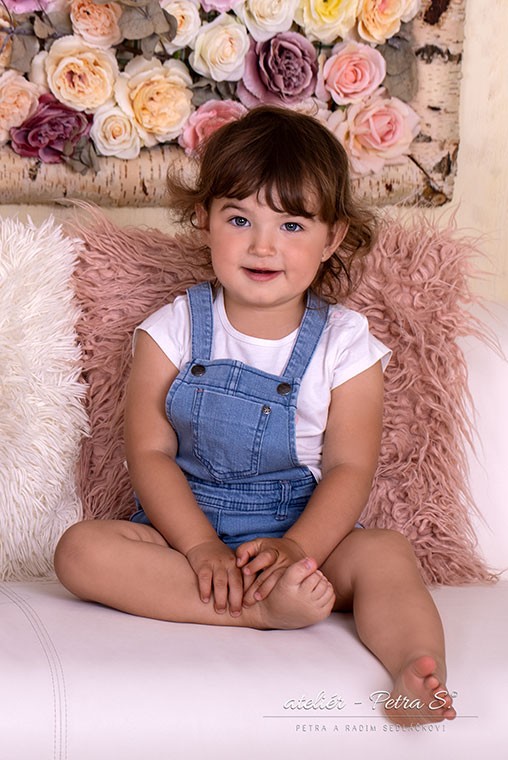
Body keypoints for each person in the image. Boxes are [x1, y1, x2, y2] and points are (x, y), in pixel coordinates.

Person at [54, 106, 456, 726]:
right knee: (81, 551)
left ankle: (415, 673)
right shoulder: (172, 329)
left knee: (386, 554)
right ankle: (259, 610)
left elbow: (350, 468)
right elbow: (150, 454)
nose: (263, 246)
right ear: (204, 219)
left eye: (292, 224)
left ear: (333, 238)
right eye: (240, 218)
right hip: (184, 532)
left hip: (301, 535)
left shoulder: (345, 345)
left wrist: (298, 549)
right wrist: (200, 547)